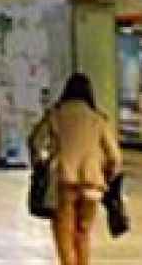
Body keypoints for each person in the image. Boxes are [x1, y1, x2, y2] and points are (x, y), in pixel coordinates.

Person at [28, 73, 121, 265]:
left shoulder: (56, 114)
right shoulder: (99, 119)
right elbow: (115, 157)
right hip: (93, 186)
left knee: (65, 235)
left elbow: (35, 141)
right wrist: (106, 175)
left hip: (64, 181)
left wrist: (40, 163)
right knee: (83, 233)